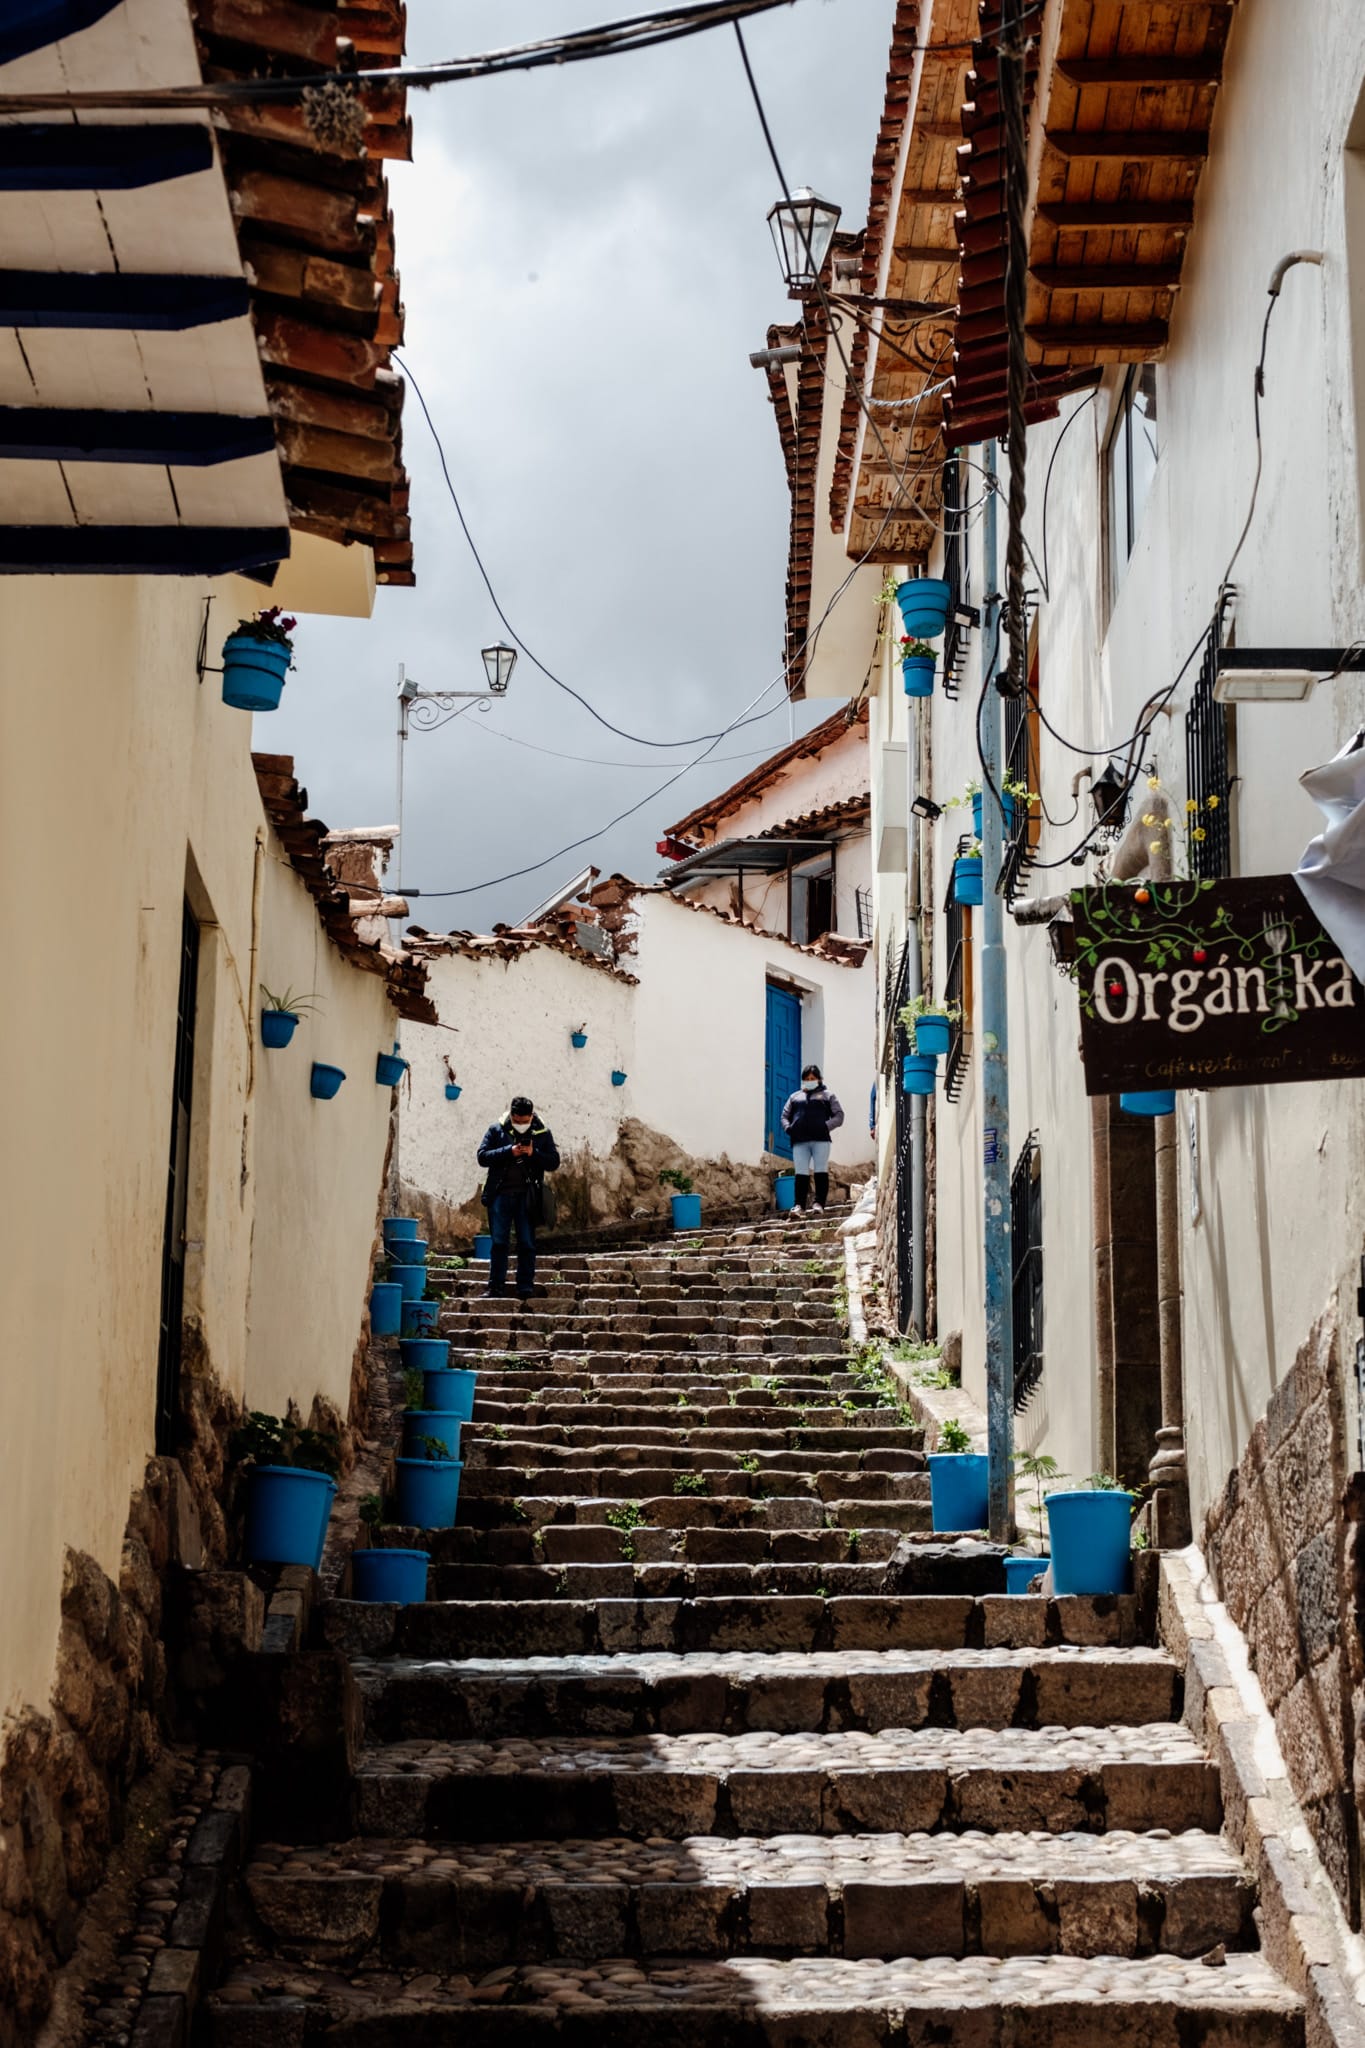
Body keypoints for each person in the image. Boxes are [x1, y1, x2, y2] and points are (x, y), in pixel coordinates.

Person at [476, 1095, 560, 1300]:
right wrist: (509, 1151)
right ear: (511, 1115)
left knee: (527, 1242)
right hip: (500, 1195)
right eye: (518, 1121)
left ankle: (525, 1287)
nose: (521, 1125)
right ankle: (495, 1287)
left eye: (525, 1121)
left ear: (532, 1116)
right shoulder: (496, 1130)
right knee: (498, 1243)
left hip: (527, 1197)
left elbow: (553, 1162)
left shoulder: (542, 1132)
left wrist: (534, 1153)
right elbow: (482, 1156)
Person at [780, 1064, 845, 1212]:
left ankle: (819, 1204)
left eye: (813, 1078)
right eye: (807, 1079)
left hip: (821, 1140)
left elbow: (839, 1116)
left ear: (819, 1079)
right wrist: (789, 1128)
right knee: (801, 1172)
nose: (810, 1081)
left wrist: (825, 1126)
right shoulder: (795, 1097)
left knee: (820, 1171)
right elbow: (784, 1116)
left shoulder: (828, 1095)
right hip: (800, 1141)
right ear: (803, 1080)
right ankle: (799, 1205)